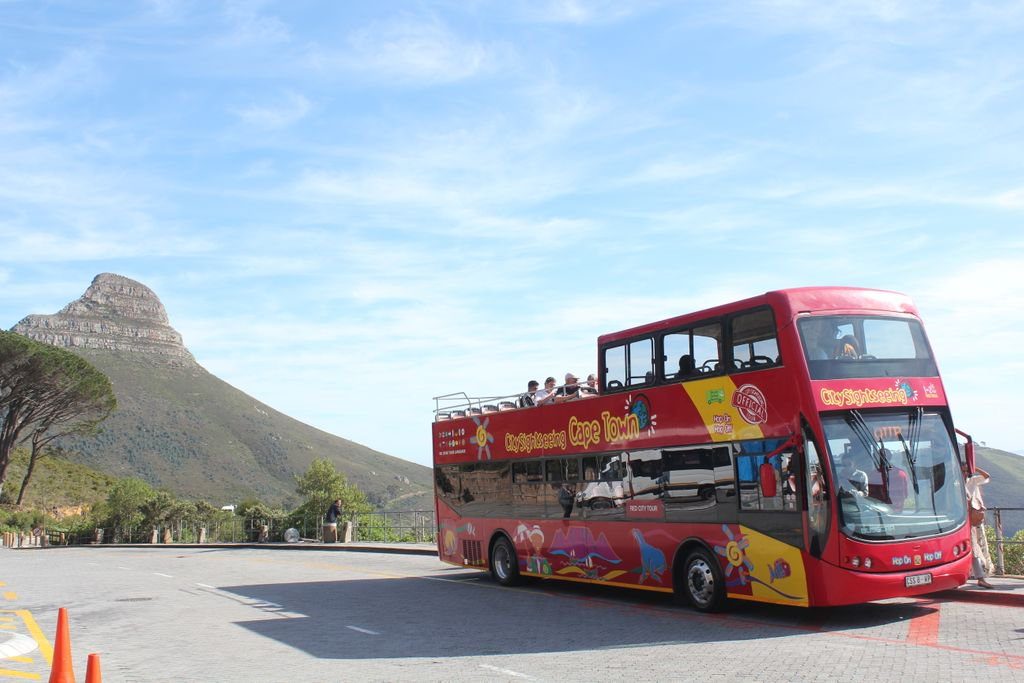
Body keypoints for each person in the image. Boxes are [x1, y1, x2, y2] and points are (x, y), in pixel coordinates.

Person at [966, 467, 994, 588]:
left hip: (969, 519)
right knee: (970, 548)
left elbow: (987, 476)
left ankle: (980, 577)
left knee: (973, 548)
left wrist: (974, 467)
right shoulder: (953, 482)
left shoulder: (972, 480)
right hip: (959, 518)